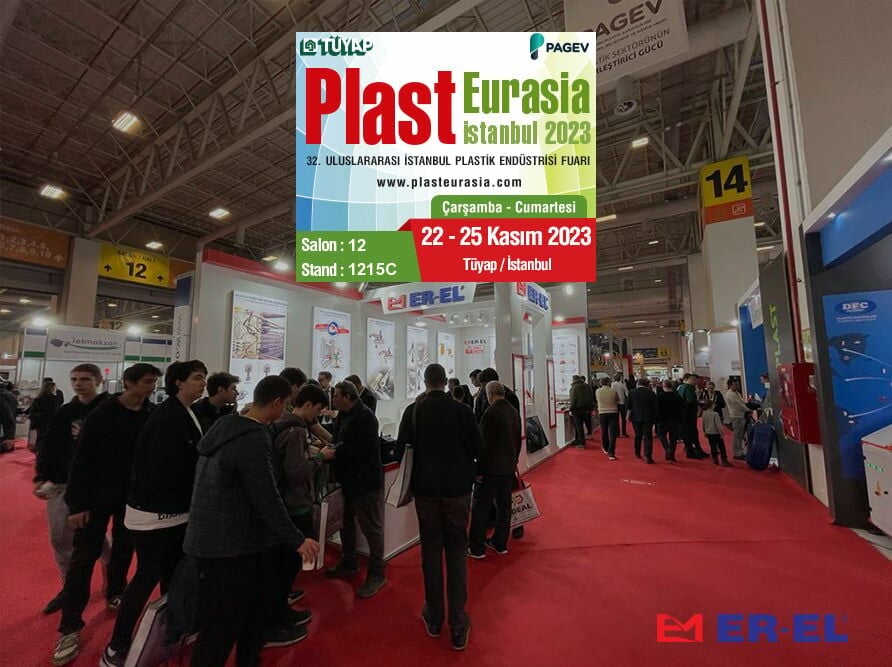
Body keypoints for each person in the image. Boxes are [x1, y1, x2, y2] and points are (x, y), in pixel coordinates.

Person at [185, 376, 320, 665]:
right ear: (277, 403)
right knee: (222, 626)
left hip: (215, 539)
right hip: (231, 544)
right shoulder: (253, 437)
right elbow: (266, 496)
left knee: (245, 613)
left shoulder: (225, 427)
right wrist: (297, 539)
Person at [52, 363, 160, 666]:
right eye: (148, 381)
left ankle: (115, 590)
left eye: (154, 382)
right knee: (83, 558)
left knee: (124, 549)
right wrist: (77, 504)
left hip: (132, 499)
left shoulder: (151, 414)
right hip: (95, 498)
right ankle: (70, 626)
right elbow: (81, 460)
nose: (152, 387)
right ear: (129, 383)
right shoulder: (102, 415)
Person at [101, 361, 208, 666]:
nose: (202, 383)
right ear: (178, 382)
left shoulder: (184, 412)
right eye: (197, 378)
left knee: (173, 575)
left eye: (204, 378)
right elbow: (165, 467)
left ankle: (172, 630)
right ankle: (117, 645)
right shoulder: (167, 417)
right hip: (154, 513)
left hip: (175, 511)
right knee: (147, 576)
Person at [398, 364, 479, 651]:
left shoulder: (413, 412)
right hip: (458, 491)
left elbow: (400, 451)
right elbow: (477, 448)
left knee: (430, 553)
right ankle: (457, 623)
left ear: (425, 382)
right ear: (445, 382)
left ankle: (434, 617)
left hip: (426, 492)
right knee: (457, 553)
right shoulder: (463, 411)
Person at [33, 364, 110, 615]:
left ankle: (113, 579)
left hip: (98, 484)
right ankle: (69, 587)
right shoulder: (65, 412)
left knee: (97, 536)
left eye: (85, 379)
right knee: (60, 537)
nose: (78, 384)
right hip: (63, 482)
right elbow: (50, 445)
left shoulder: (109, 409)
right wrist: (42, 476)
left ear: (98, 381)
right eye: (74, 379)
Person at [267, 383, 335, 635]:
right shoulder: (295, 430)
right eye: (317, 410)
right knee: (288, 564)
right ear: (307, 405)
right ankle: (276, 617)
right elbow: (296, 472)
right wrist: (320, 458)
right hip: (294, 505)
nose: (317, 416)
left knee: (282, 564)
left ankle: (279, 611)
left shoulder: (280, 424)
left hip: (284, 502)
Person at [324, 381, 386, 598]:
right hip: (348, 480)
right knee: (346, 523)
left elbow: (363, 448)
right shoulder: (344, 415)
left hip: (364, 482)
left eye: (336, 395)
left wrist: (336, 452)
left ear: (348, 397)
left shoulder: (366, 417)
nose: (333, 399)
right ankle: (349, 561)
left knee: (371, 527)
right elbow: (339, 440)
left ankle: (377, 572)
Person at [469, 381, 520, 558]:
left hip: (491, 470)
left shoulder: (490, 413)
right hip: (508, 468)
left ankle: (476, 547)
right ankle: (500, 543)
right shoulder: (513, 411)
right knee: (504, 508)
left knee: (480, 508)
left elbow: (485, 445)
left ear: (489, 394)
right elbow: (517, 441)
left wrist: (478, 470)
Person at [279, 367, 333, 445]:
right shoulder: (279, 409)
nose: (302, 392)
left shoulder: (293, 405)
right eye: (301, 388)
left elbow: (316, 427)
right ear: (295, 386)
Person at [628, 378, 659, 463]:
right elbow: (655, 407)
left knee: (638, 435)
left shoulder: (631, 392)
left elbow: (629, 406)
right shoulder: (651, 393)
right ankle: (648, 456)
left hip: (635, 417)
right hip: (648, 417)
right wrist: (656, 418)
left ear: (638, 383)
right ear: (647, 384)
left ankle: (637, 452)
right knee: (648, 436)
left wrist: (628, 417)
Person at [677, 374, 708, 459]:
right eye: (694, 380)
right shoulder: (689, 387)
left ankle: (691, 449)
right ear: (689, 379)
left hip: (683, 413)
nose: (696, 382)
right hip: (689, 413)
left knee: (688, 432)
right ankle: (691, 451)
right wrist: (701, 403)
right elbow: (691, 400)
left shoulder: (681, 387)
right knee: (691, 432)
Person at [27, 378, 62, 453]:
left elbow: (32, 409)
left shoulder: (38, 399)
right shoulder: (54, 399)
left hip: (40, 422)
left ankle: (38, 451)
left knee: (40, 437)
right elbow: (57, 410)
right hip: (50, 422)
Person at [656, 379, 684, 462]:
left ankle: (667, 448)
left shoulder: (659, 396)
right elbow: (682, 408)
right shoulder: (677, 396)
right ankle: (672, 455)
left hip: (662, 419)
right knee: (673, 438)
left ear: (663, 386)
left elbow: (656, 409)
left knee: (662, 435)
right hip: (674, 419)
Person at [724, 379, 750, 460]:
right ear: (730, 385)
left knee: (741, 435)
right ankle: (737, 453)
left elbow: (742, 403)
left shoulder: (737, 393)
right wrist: (748, 410)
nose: (737, 386)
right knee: (737, 435)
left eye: (738, 384)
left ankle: (740, 451)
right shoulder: (730, 394)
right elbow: (739, 405)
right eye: (735, 384)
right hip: (736, 416)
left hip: (741, 416)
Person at [596, 378, 619, 460]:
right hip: (613, 412)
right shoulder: (613, 391)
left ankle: (605, 447)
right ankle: (611, 453)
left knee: (604, 431)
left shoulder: (598, 391)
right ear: (608, 382)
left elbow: (597, 400)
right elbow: (618, 400)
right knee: (612, 433)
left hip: (602, 412)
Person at [702, 400, 731, 466]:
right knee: (721, 446)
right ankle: (724, 459)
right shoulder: (715, 414)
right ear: (712, 406)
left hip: (709, 433)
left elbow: (703, 424)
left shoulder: (704, 413)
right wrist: (721, 433)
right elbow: (718, 425)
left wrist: (705, 432)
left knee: (712, 446)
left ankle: (715, 459)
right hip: (716, 433)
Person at [568, 375, 594, 448]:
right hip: (587, 409)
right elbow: (591, 397)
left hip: (577, 410)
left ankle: (581, 442)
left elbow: (573, 400)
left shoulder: (573, 388)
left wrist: (571, 409)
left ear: (573, 380)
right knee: (582, 425)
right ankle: (578, 440)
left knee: (578, 426)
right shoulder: (587, 387)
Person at [0, 380, 17, 453]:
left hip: (4, 420)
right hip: (10, 420)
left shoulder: (2, 395)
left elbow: (5, 410)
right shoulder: (12, 395)